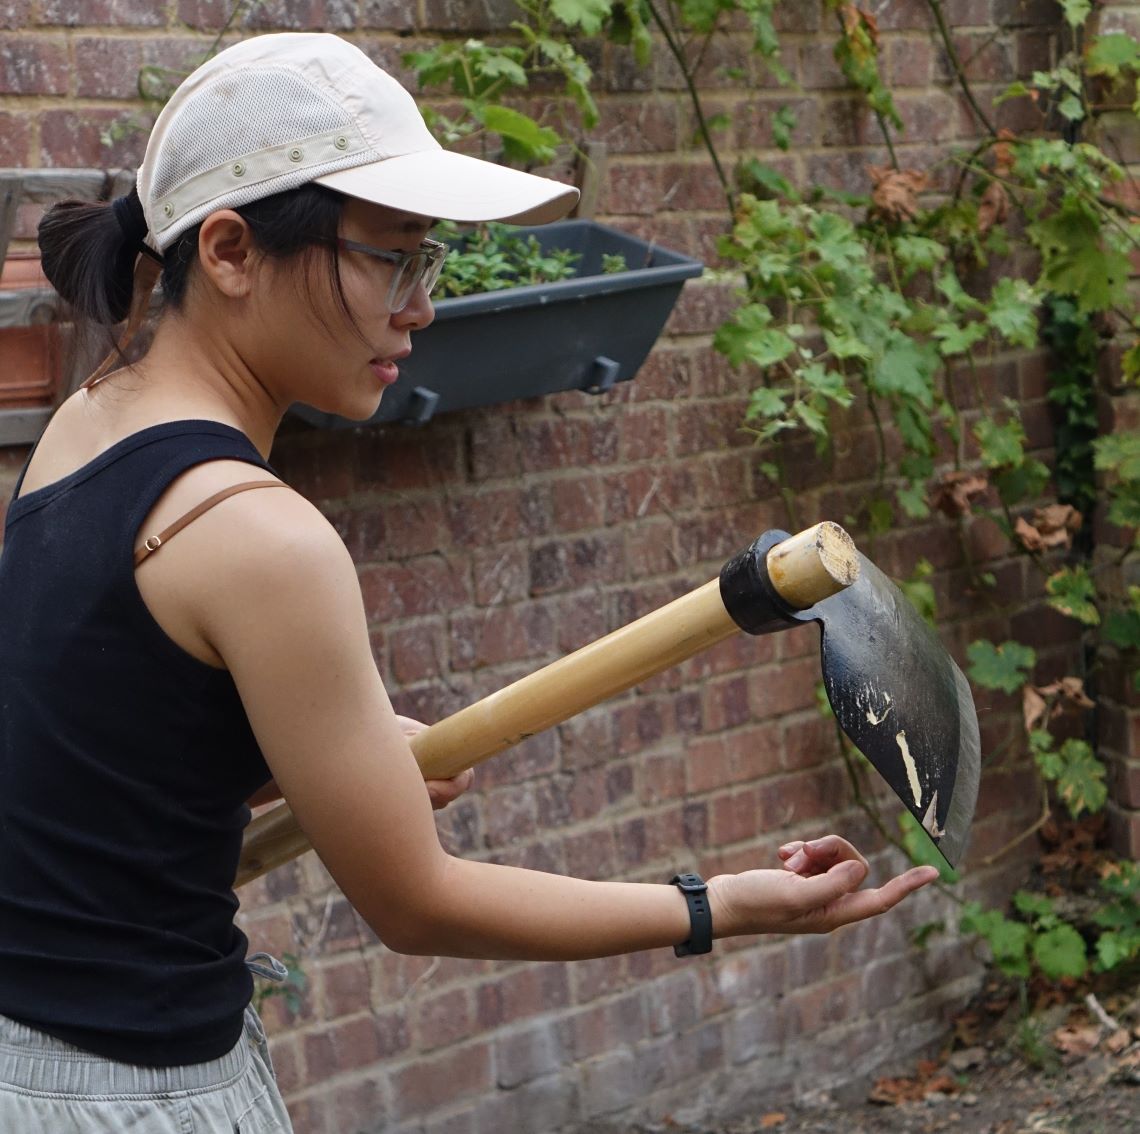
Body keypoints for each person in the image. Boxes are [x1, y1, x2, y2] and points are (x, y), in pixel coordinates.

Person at [0, 31, 939, 1133]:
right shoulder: (261, 536)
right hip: (135, 1093)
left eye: (427, 262)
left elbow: (83, 747)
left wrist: (307, 760)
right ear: (230, 250)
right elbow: (417, 901)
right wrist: (719, 905)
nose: (423, 307)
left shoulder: (90, 418)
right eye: (392, 259)